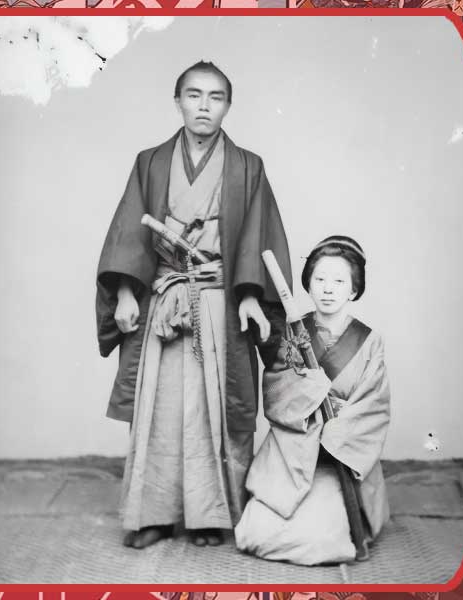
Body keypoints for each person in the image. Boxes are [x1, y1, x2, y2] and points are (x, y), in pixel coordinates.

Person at [96, 61, 291, 549]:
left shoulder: (248, 166)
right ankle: (154, 513)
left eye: (216, 97)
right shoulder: (151, 162)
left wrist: (249, 298)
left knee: (213, 408)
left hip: (218, 301)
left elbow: (256, 238)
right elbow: (127, 233)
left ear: (228, 104)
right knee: (160, 409)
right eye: (194, 95)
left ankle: (209, 515)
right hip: (163, 298)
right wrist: (124, 292)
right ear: (177, 100)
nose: (204, 106)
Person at [234, 236, 390, 565]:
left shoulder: (369, 341)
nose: (328, 289)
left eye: (338, 281)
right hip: (294, 453)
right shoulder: (293, 331)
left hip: (339, 457)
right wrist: (311, 392)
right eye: (319, 279)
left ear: (353, 289)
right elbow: (276, 391)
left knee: (321, 541)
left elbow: (373, 405)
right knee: (254, 533)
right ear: (308, 284)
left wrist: (336, 430)